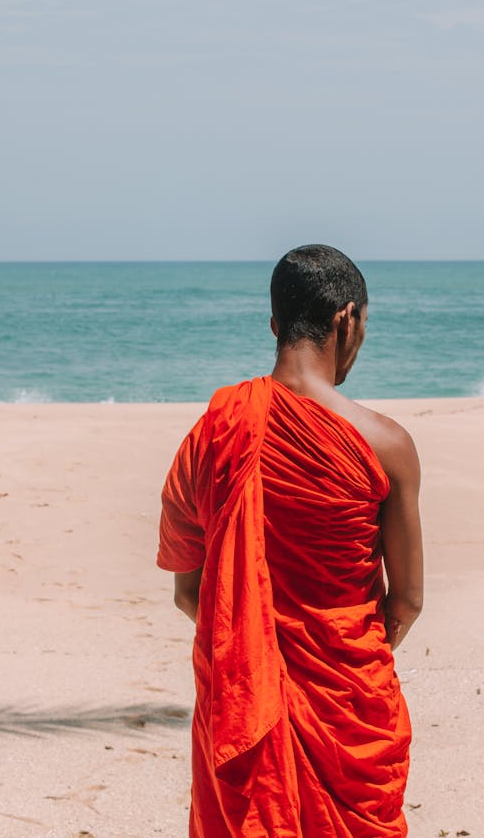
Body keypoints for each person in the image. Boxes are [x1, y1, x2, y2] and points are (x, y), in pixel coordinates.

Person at [157, 244, 424, 837]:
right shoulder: (388, 445)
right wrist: (337, 657)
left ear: (275, 324)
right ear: (346, 319)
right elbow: (406, 602)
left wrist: (252, 654)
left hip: (240, 702)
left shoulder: (211, 435)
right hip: (349, 703)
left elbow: (187, 591)